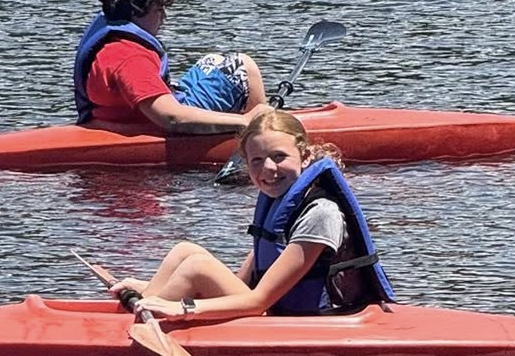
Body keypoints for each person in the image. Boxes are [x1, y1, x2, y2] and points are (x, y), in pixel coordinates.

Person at [112, 106, 394, 323]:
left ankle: (140, 321)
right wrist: (150, 286)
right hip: (274, 311)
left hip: (310, 323)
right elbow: (251, 276)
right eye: (256, 161)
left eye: (279, 157)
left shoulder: (321, 213)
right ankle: (148, 300)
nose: (267, 169)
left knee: (197, 268)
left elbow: (258, 301)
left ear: (305, 156)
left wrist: (184, 308)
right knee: (185, 251)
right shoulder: (280, 199)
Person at [73, 0, 266, 135]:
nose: (164, 17)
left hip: (121, 113)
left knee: (213, 60)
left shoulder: (113, 43)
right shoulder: (130, 58)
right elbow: (171, 118)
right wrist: (245, 121)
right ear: (135, 11)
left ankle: (233, 128)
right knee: (242, 66)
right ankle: (260, 133)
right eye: (158, 10)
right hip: (155, 120)